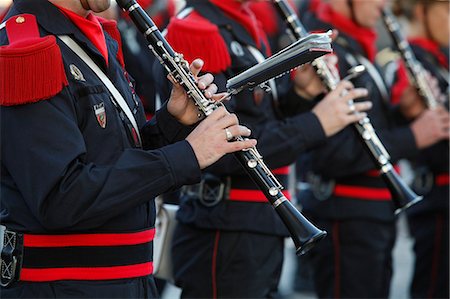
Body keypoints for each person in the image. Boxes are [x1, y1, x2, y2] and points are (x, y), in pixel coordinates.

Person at [0, 0, 257, 297]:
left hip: (129, 282)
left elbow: (112, 158)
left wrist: (171, 122)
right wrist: (187, 155)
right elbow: (63, 198)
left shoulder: (92, 36)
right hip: (68, 287)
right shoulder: (25, 50)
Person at [160, 0, 374, 298]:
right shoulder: (195, 29)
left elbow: (259, 117)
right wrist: (315, 123)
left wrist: (301, 93)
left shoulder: (242, 23)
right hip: (225, 229)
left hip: (259, 224)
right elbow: (222, 148)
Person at [296, 0, 450, 298]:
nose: (384, 4)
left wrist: (404, 111)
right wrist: (413, 136)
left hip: (374, 214)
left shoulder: (358, 49)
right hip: (346, 216)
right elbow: (333, 154)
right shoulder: (328, 53)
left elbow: (371, 128)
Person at [391, 0, 449, 297]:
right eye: (447, 10)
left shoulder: (440, 56)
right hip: (438, 197)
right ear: (422, 11)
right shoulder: (411, 58)